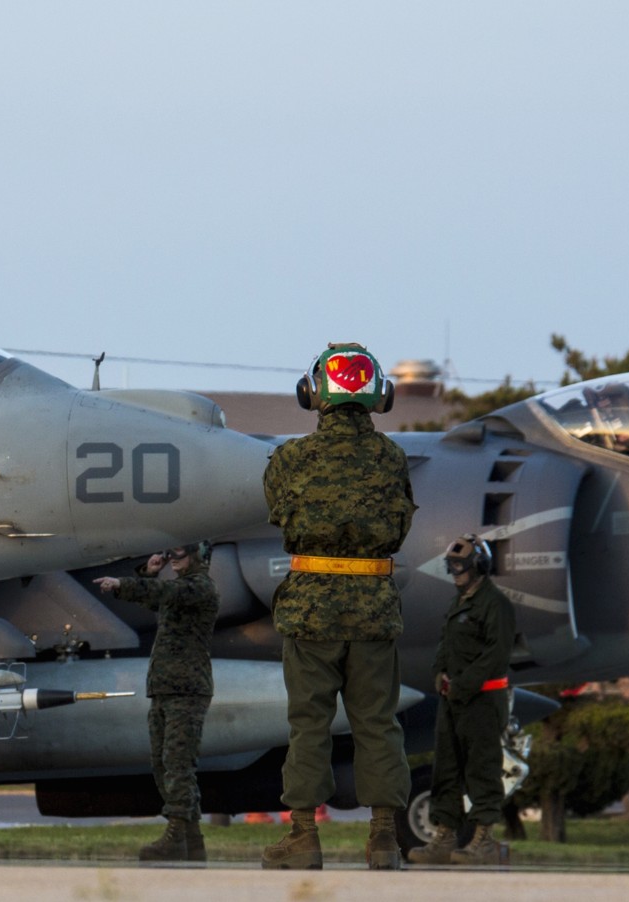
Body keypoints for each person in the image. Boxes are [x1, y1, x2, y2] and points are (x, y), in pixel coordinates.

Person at [261, 342, 417, 871]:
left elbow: (278, 516)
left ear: (312, 395)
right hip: (374, 608)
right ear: (379, 397)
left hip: (310, 611)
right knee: (378, 723)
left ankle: (303, 837)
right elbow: (398, 529)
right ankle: (384, 842)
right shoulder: (392, 459)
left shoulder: (290, 458)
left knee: (309, 723)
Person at [94, 543, 219, 862]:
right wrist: (148, 572)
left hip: (187, 688)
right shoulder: (179, 589)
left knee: (178, 763)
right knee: (163, 763)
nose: (172, 560)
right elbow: (157, 594)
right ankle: (192, 841)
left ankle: (177, 835)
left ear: (197, 557)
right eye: (170, 554)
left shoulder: (199, 587)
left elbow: (164, 593)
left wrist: (125, 583)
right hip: (165, 687)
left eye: (179, 554)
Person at [407, 535, 517, 866]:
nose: (455, 572)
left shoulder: (495, 605)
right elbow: (447, 646)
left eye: (461, 566)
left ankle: (484, 839)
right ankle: (444, 836)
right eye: (452, 566)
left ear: (478, 567)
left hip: (483, 700)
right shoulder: (459, 603)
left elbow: (496, 656)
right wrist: (439, 673)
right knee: (447, 769)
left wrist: (463, 685)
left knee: (482, 768)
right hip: (453, 701)